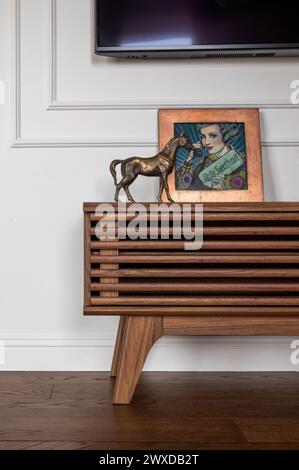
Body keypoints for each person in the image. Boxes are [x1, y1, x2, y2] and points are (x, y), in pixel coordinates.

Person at [177, 123, 247, 190]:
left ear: (225, 135)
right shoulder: (203, 164)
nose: (207, 142)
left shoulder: (244, 162)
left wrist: (223, 191)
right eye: (204, 137)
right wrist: (190, 160)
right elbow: (181, 188)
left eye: (213, 136)